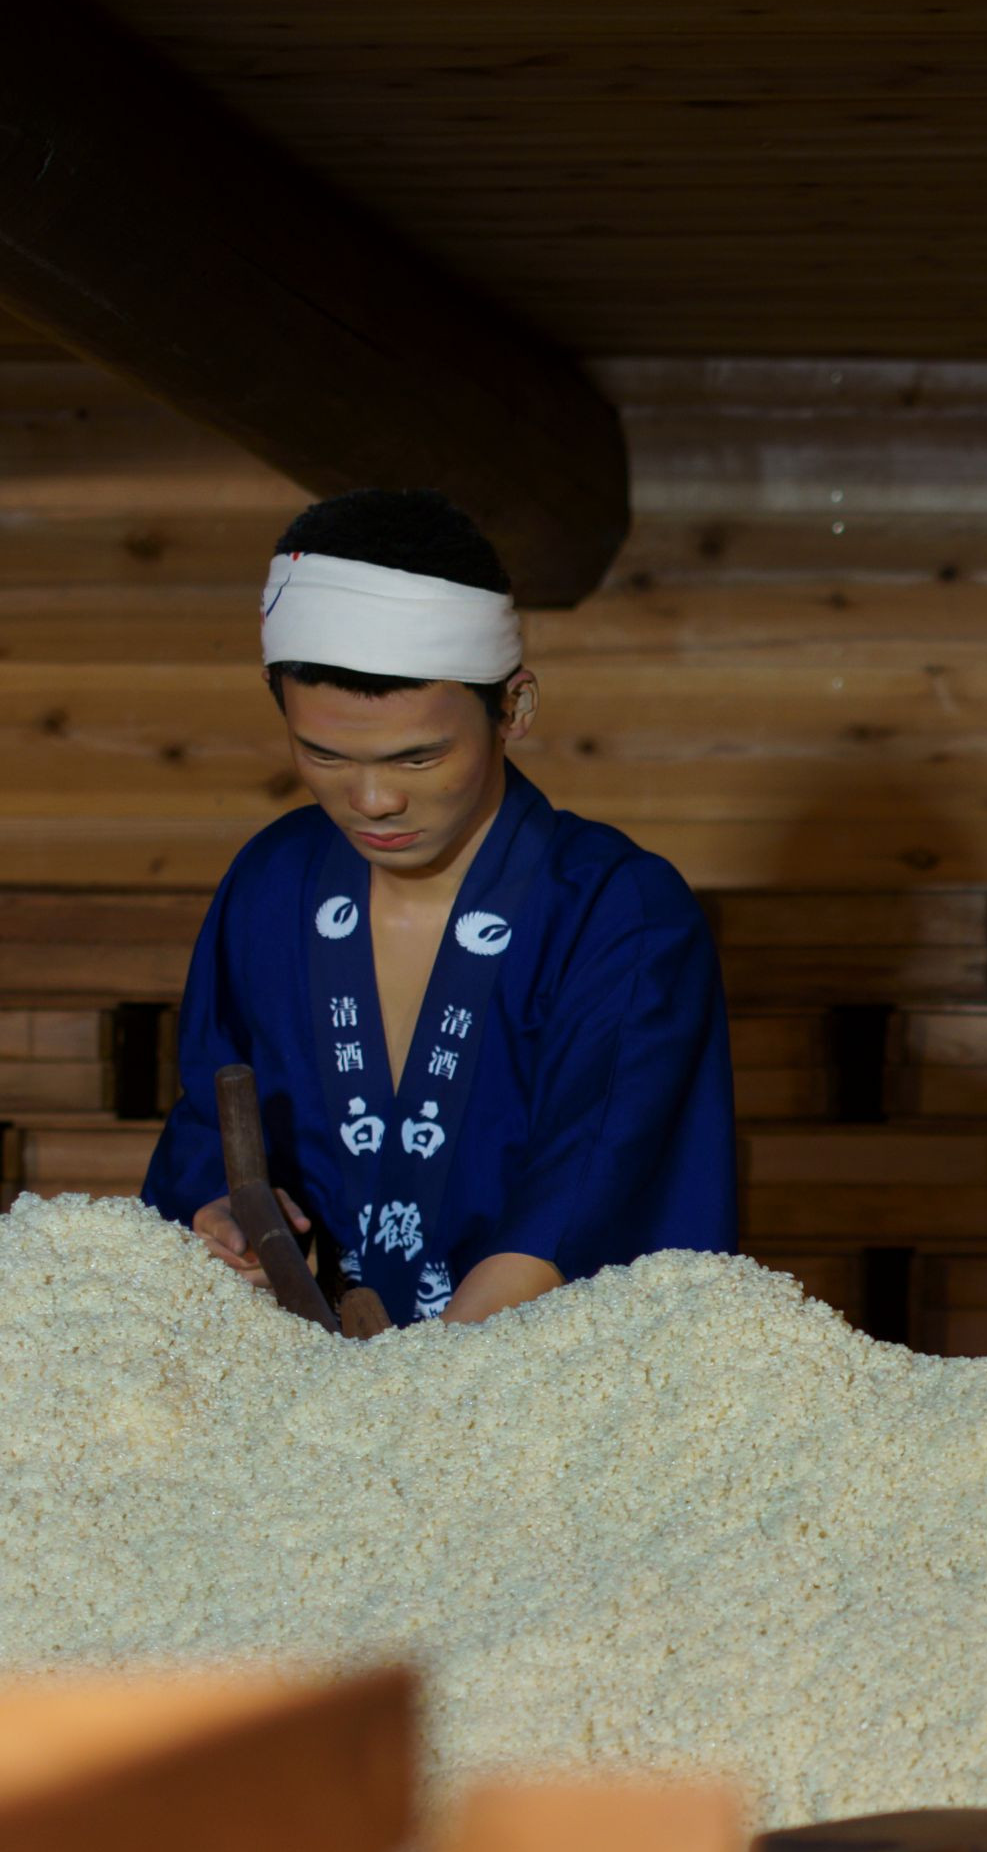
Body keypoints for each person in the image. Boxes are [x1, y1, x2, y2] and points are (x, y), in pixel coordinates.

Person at [145, 490, 737, 1325]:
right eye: (324, 754)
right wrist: (222, 1219)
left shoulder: (617, 910)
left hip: (525, 1375)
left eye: (418, 758)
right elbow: (208, 1127)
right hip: (294, 1368)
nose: (373, 800)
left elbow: (592, 1189)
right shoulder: (272, 881)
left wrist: (422, 1388)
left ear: (513, 708)